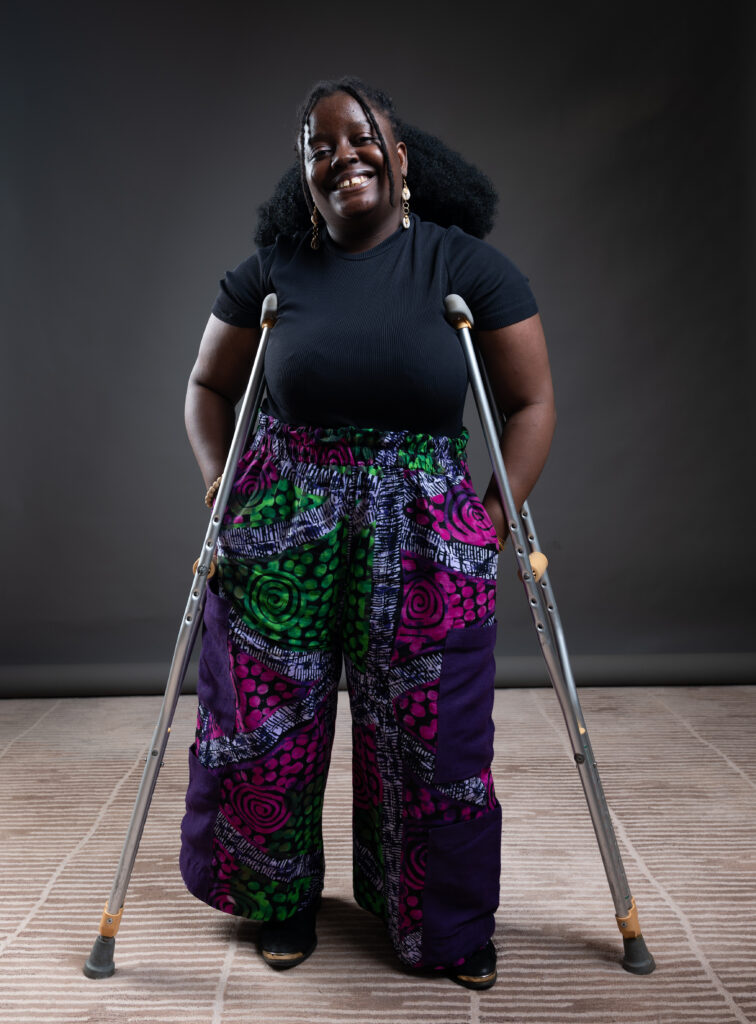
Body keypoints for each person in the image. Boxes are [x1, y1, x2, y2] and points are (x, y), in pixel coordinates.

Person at [179, 76, 555, 990]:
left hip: (424, 527)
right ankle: (279, 900)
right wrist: (219, 487)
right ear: (303, 172)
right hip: (285, 520)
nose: (342, 157)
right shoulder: (271, 271)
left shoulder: (465, 268)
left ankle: (441, 920)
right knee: (268, 722)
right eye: (320, 147)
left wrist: (490, 524)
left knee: (434, 734)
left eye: (360, 138)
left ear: (401, 156)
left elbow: (532, 402)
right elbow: (208, 387)